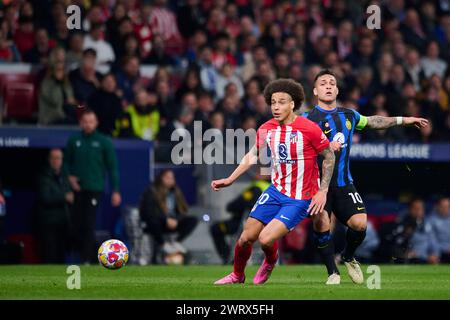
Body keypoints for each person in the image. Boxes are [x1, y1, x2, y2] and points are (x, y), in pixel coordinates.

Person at [304, 69, 429, 284]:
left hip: (344, 184)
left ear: (337, 89)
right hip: (317, 186)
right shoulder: (306, 119)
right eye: (323, 83)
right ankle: (332, 272)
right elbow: (300, 150)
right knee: (321, 221)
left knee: (360, 224)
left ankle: (348, 256)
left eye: (332, 83)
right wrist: (323, 147)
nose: (328, 85)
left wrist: (403, 119)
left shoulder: (349, 115)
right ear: (315, 91)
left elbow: (374, 121)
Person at [212, 78, 336, 285]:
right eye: (273, 102)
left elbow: (329, 156)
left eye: (281, 102)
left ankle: (270, 261)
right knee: (245, 238)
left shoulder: (309, 129)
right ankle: (237, 275)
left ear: (292, 104)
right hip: (276, 191)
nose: (276, 107)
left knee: (266, 239)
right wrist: (230, 179)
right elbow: (252, 155)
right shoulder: (266, 128)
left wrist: (322, 190)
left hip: (300, 197)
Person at [65, 110, 121, 264]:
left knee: (89, 223)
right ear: (81, 123)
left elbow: (112, 167)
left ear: (96, 123)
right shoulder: (74, 140)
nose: (88, 124)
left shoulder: (104, 142)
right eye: (85, 121)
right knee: (75, 224)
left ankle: (86, 260)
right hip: (76, 190)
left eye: (91, 121)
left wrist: (116, 190)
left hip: (94, 189)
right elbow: (66, 164)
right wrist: (69, 182)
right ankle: (76, 255)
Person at [139, 169, 198, 264]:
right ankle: (163, 244)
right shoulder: (151, 191)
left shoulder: (176, 192)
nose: (170, 180)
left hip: (173, 223)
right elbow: (148, 212)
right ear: (161, 178)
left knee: (192, 220)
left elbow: (183, 211)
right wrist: (165, 219)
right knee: (153, 221)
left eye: (172, 178)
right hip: (157, 224)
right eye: (167, 177)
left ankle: (176, 242)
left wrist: (176, 220)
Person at [210, 172, 270, 265]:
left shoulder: (256, 188)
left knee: (215, 229)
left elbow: (233, 206)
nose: (256, 173)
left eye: (260, 171)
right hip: (268, 226)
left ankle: (228, 259)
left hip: (245, 224)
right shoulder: (273, 188)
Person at [36, 149, 73, 263]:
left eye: (58, 158)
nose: (56, 161)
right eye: (54, 158)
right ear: (49, 159)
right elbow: (45, 197)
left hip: (62, 221)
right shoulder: (43, 176)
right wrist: (64, 197)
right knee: (49, 253)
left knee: (60, 254)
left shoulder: (64, 177)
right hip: (48, 221)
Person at [429, 197, 450, 262]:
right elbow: (431, 239)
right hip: (439, 253)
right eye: (443, 206)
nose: (445, 209)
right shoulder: (431, 220)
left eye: (447, 207)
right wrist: (445, 248)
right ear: (437, 207)